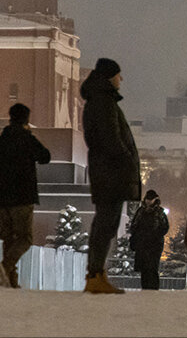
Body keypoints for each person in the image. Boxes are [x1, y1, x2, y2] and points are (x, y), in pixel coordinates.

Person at [80, 58, 142, 294]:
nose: (121, 79)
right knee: (106, 224)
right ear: (109, 77)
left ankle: (97, 274)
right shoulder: (104, 102)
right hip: (111, 172)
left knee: (106, 223)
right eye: (118, 74)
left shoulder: (100, 101)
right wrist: (126, 158)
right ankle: (95, 275)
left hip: (106, 171)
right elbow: (110, 139)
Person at [0, 102, 52, 289]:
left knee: (8, 238)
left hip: (1, 199)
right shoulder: (27, 139)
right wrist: (29, 134)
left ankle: (10, 281)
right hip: (22, 197)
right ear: (26, 120)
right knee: (25, 238)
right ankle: (6, 267)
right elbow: (45, 156)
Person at [129, 189, 169, 290]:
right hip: (142, 244)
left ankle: (154, 288)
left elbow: (165, 227)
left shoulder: (159, 212)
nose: (148, 201)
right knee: (144, 268)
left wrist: (155, 235)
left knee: (153, 267)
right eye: (147, 199)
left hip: (155, 244)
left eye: (150, 199)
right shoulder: (141, 211)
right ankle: (145, 288)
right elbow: (134, 226)